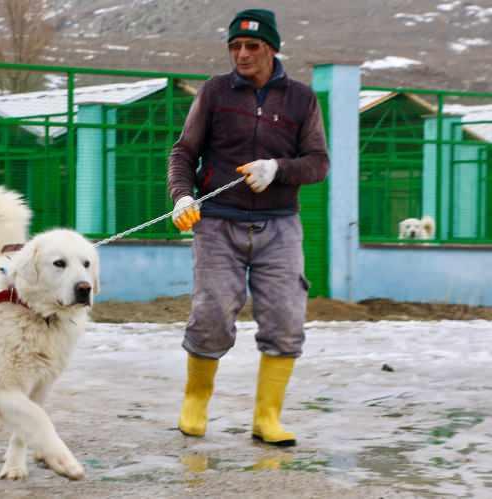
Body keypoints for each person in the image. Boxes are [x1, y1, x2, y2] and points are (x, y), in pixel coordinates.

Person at [167, 8, 329, 446]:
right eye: (235, 46)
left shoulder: (301, 99)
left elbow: (319, 163)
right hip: (218, 223)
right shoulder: (215, 93)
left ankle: (267, 417)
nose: (242, 54)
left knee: (285, 318)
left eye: (252, 46)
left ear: (272, 49)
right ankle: (195, 402)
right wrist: (182, 196)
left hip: (279, 227)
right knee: (212, 313)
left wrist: (277, 169)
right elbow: (183, 153)